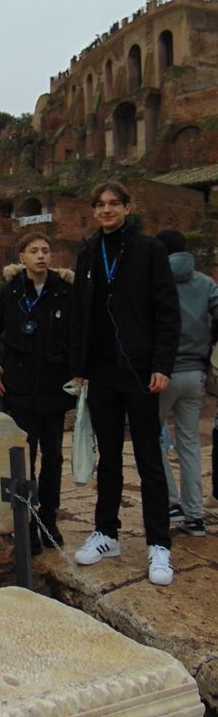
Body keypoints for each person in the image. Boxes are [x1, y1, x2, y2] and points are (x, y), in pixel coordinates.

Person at [70, 182, 180, 586]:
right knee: (110, 458)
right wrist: (78, 365)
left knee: (149, 459)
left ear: (127, 208)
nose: (106, 210)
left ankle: (159, 543)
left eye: (114, 203)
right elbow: (80, 312)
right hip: (102, 371)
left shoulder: (150, 251)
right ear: (93, 211)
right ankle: (107, 533)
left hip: (139, 370)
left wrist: (162, 364)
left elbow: (167, 312)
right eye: (100, 204)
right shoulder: (88, 252)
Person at [0, 232, 74, 553]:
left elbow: (80, 335)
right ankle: (27, 522)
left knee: (54, 458)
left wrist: (80, 370)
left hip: (53, 388)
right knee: (23, 459)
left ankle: (49, 518)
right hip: (19, 389)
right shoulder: (9, 294)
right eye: (34, 251)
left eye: (46, 250)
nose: (41, 256)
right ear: (22, 257)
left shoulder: (64, 293)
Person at [154, 229, 218, 537]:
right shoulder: (205, 282)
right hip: (195, 373)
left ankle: (171, 502)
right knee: (189, 443)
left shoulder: (154, 280)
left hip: (161, 372)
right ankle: (195, 516)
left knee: (153, 439)